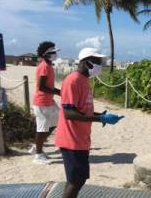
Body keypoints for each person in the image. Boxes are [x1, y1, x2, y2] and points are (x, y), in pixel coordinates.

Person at [55, 48, 124, 198]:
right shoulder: (73, 80)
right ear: (88, 63)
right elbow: (69, 113)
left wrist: (102, 116)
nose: (101, 65)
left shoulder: (84, 80)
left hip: (81, 138)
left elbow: (82, 110)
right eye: (98, 62)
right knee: (76, 181)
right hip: (71, 139)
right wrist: (100, 119)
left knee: (77, 179)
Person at [29, 41, 61, 165]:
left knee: (57, 121)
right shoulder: (44, 66)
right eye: (53, 52)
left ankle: (37, 145)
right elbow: (41, 87)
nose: (55, 54)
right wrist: (58, 92)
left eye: (55, 52)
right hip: (42, 101)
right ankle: (38, 155)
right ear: (46, 54)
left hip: (49, 101)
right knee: (42, 128)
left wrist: (56, 92)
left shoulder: (49, 65)